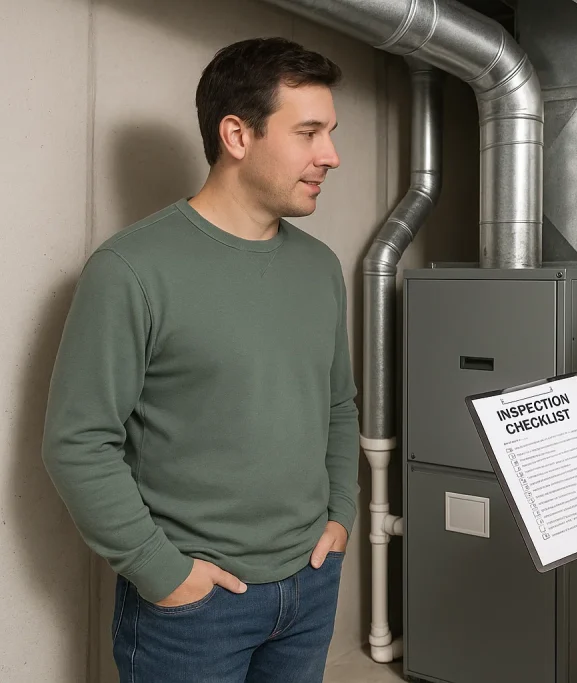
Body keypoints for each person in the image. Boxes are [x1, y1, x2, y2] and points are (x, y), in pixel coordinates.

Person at [41, 37, 357, 682]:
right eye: (308, 133)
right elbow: (78, 440)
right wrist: (162, 572)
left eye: (329, 133)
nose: (330, 155)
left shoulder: (321, 267)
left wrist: (341, 517)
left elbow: (337, 405)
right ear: (237, 135)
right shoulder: (130, 269)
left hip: (311, 582)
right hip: (194, 608)